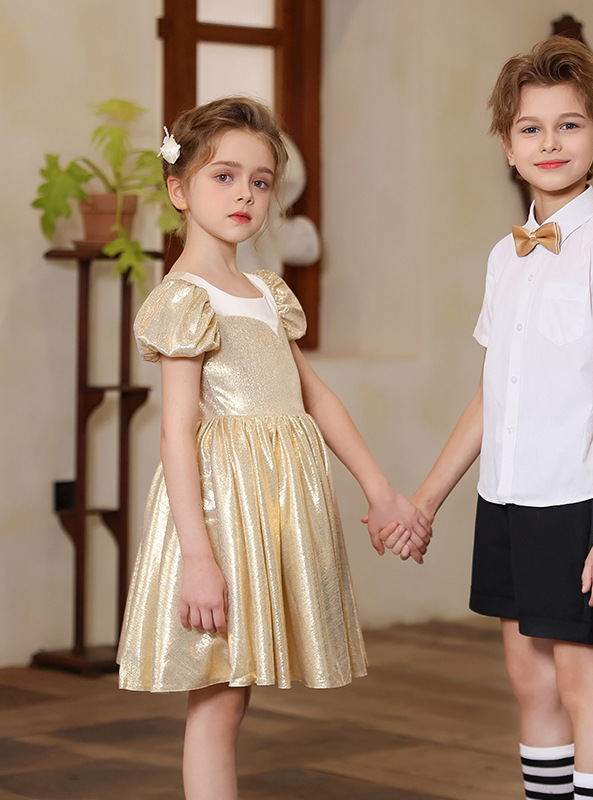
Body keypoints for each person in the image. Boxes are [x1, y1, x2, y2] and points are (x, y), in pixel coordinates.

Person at [116, 97, 431, 800]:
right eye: (224, 176)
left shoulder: (267, 291)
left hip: (277, 502)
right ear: (179, 189)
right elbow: (177, 430)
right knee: (219, 695)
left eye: (260, 182)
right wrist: (197, 556)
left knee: (238, 692)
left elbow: (315, 398)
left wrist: (380, 490)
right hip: (224, 510)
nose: (245, 195)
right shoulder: (184, 296)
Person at [382, 36, 593, 800]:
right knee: (526, 676)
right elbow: (492, 396)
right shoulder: (504, 259)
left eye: (569, 125)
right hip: (507, 498)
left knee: (581, 679)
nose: (550, 142)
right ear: (508, 147)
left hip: (577, 501)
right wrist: (426, 501)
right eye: (531, 128)